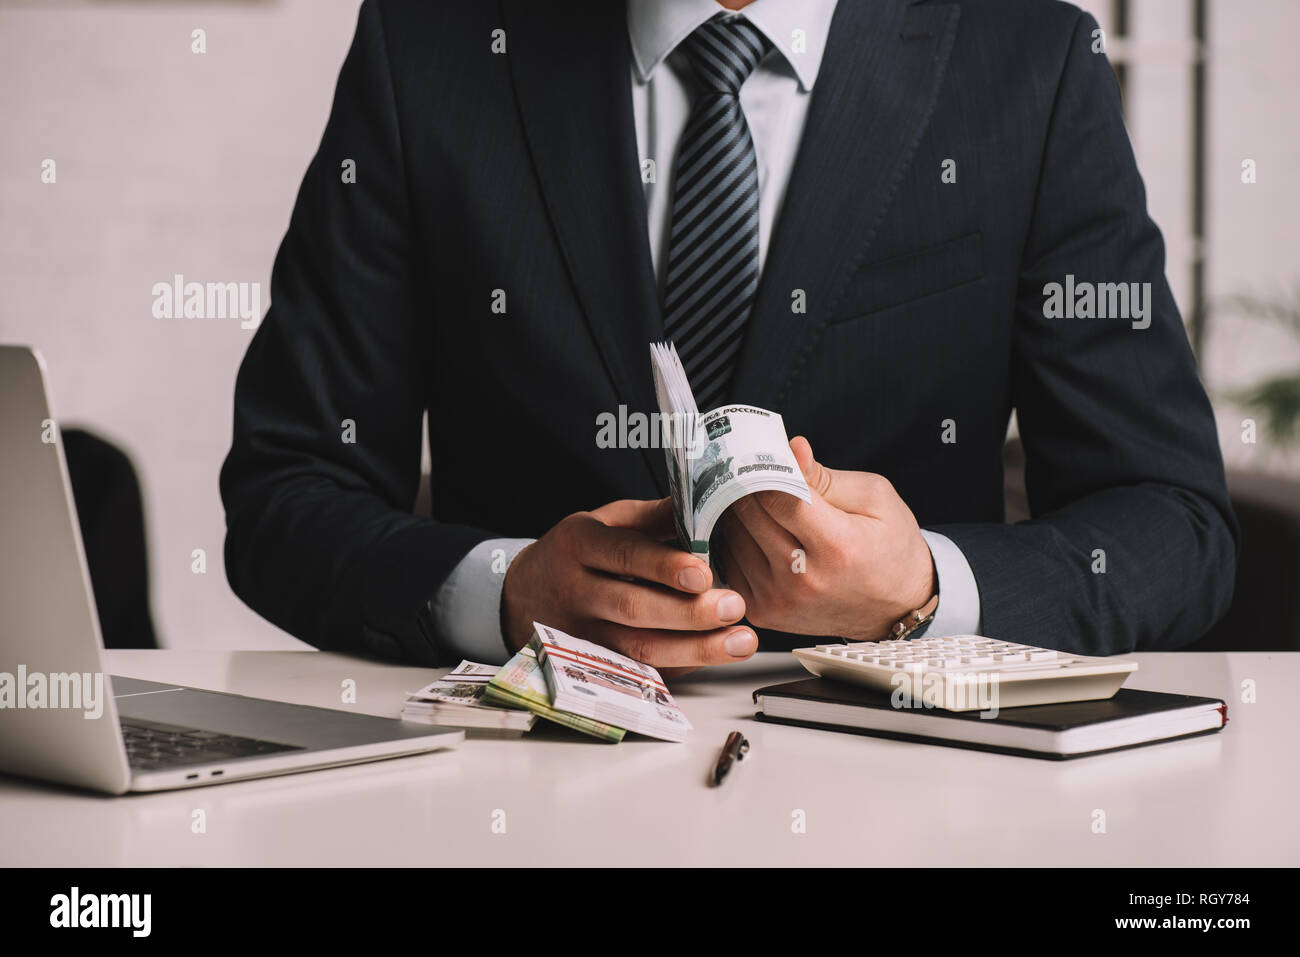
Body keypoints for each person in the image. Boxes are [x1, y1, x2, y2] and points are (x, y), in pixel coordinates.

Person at [220, 0, 1237, 670]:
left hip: (914, 803)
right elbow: (288, 495)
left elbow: (1170, 520)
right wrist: (504, 593)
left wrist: (927, 592)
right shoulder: (434, 46)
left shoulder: (1028, 62)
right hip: (524, 790)